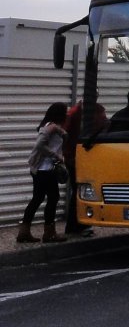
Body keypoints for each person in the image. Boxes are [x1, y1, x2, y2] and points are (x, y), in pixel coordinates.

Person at [17, 102, 69, 244]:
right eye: (65, 112)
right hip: (45, 170)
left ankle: (24, 232)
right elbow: (40, 145)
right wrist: (56, 156)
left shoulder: (53, 127)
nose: (67, 114)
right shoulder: (50, 127)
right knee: (53, 197)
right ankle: (49, 233)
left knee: (38, 198)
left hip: (42, 170)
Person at [62, 99, 107, 236]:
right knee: (79, 191)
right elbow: (64, 133)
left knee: (81, 191)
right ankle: (75, 225)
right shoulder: (79, 112)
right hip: (77, 157)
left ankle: (79, 224)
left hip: (84, 156)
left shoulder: (91, 110)